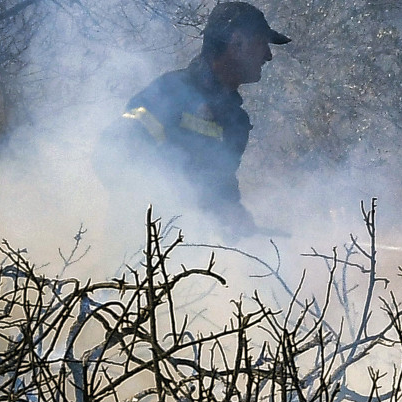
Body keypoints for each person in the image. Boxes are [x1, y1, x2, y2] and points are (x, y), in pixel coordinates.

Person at [98, 2, 289, 238]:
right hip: (142, 254)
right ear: (237, 42)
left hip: (192, 256)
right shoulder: (171, 92)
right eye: (262, 44)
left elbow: (219, 191)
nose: (268, 56)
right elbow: (111, 153)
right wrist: (169, 202)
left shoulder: (236, 121)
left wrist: (238, 222)